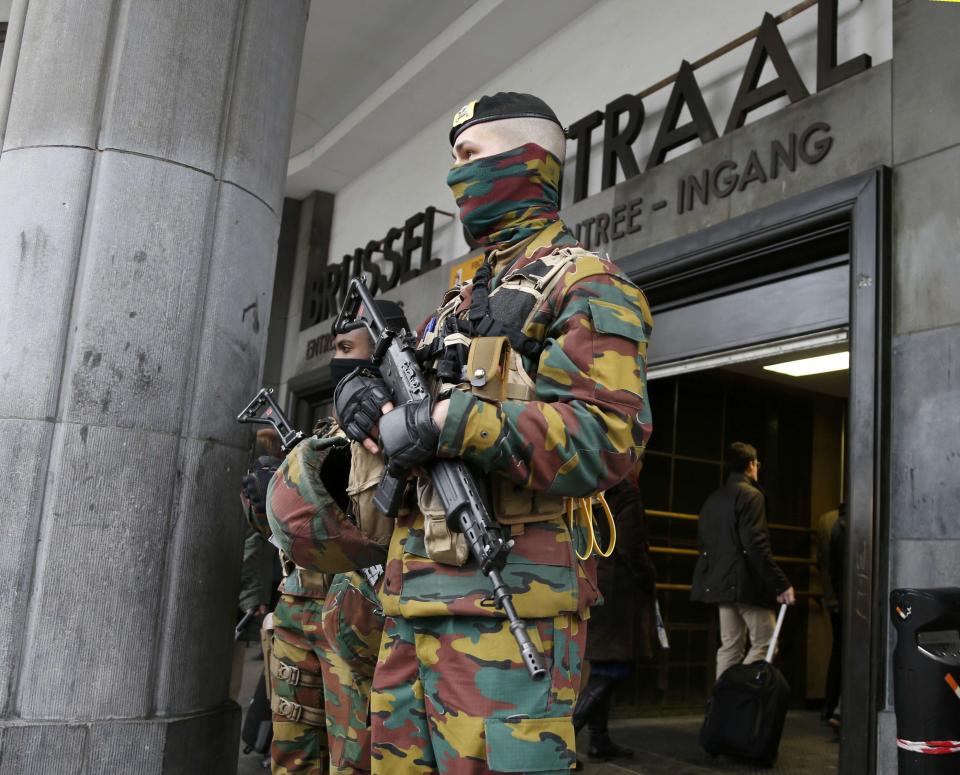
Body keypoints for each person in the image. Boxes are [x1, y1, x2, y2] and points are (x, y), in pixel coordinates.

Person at [330, 91, 653, 773]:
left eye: (469, 156)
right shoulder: (460, 300)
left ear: (526, 161)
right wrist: (361, 393)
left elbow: (607, 440)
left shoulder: (586, 283)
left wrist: (456, 422)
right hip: (410, 604)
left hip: (508, 616)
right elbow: (399, 410)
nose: (456, 176)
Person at [266, 301, 409, 775]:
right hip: (305, 604)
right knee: (294, 750)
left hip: (360, 619)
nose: (338, 362)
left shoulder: (403, 423)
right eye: (335, 350)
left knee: (354, 758)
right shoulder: (332, 428)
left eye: (349, 349)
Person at [573, 479, 660, 764]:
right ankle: (563, 741)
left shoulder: (591, 485)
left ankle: (599, 740)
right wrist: (648, 578)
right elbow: (630, 543)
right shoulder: (627, 492)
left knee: (602, 663)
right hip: (619, 591)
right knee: (613, 669)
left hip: (593, 579)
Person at [691, 442, 795, 679]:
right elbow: (755, 544)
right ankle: (739, 696)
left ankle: (721, 706)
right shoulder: (752, 496)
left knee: (730, 646)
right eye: (757, 464)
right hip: (746, 583)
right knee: (766, 643)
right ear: (751, 465)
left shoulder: (713, 499)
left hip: (719, 582)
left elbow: (704, 543)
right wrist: (780, 583)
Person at [816, 502, 846, 729]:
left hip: (833, 597)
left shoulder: (826, 520)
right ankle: (839, 709)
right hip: (848, 598)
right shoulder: (844, 524)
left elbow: (823, 563)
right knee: (849, 652)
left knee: (838, 650)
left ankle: (830, 706)